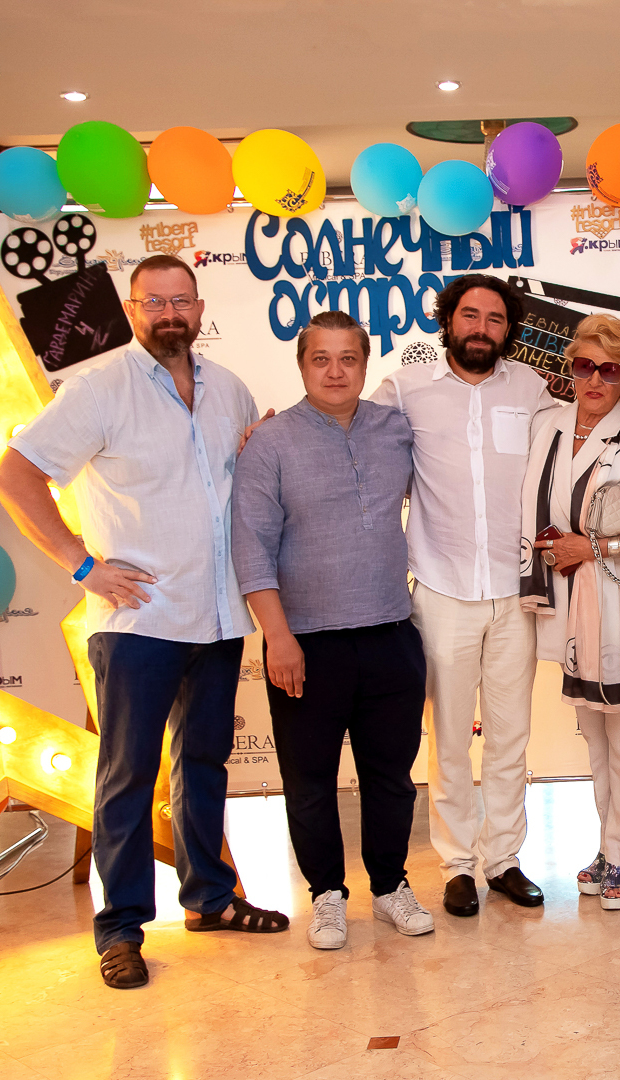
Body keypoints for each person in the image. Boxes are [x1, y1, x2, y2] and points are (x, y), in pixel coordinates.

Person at [0, 253, 288, 990]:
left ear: (200, 308)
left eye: (180, 301)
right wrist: (81, 564)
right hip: (139, 621)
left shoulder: (230, 390)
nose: (169, 314)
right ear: (131, 311)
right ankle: (120, 930)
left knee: (203, 765)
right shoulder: (100, 389)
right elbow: (16, 476)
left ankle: (210, 900)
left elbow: (245, 485)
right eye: (154, 302)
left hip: (217, 616)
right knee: (127, 777)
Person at [232, 310, 433, 946]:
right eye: (321, 358)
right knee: (310, 780)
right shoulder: (269, 443)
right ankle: (325, 895)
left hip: (391, 634)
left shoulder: (396, 429)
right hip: (305, 643)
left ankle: (391, 886)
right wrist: (278, 637)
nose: (335, 371)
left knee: (391, 777)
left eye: (349, 358)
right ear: (302, 365)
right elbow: (251, 548)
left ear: (366, 364)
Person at [369, 274, 559, 917]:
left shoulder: (532, 390)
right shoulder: (405, 388)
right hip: (441, 589)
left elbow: (575, 450)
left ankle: (503, 860)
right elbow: (349, 435)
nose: (481, 328)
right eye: (470, 315)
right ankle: (456, 865)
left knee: (510, 736)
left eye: (495, 319)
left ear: (510, 330)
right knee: (448, 738)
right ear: (448, 320)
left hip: (515, 591)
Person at [519, 315, 620, 910]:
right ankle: (607, 846)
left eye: (610, 370)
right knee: (595, 740)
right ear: (571, 368)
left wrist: (593, 548)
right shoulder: (548, 426)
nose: (594, 380)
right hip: (569, 612)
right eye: (585, 365)